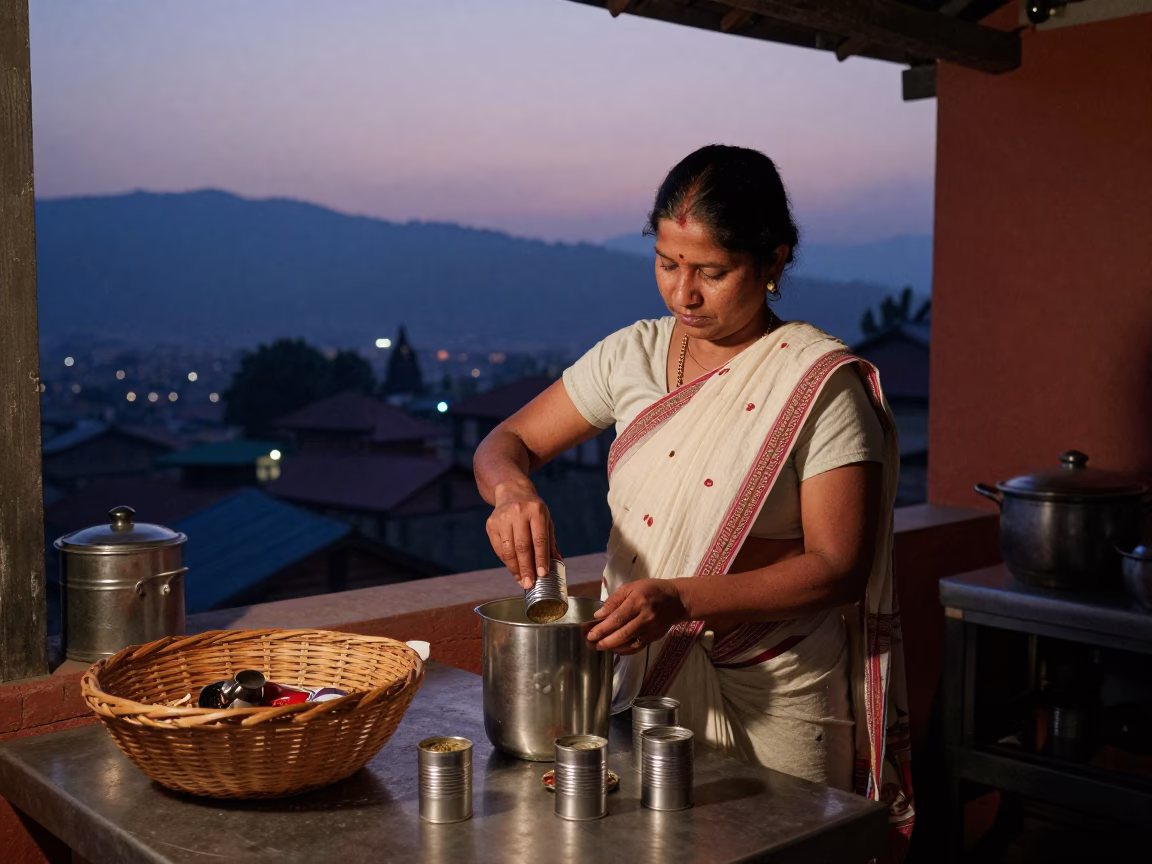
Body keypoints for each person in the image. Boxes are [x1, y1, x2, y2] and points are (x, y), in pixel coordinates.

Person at [473, 145, 913, 856]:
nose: (685, 294)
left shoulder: (817, 385)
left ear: (773, 261)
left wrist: (679, 599)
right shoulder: (632, 357)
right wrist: (512, 489)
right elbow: (506, 441)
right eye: (667, 264)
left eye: (712, 271)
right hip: (638, 682)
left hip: (776, 690)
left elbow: (838, 568)